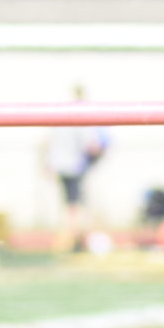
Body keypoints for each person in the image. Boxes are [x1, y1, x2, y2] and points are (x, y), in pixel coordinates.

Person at [46, 90, 110, 254]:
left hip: (60, 165)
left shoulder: (60, 117)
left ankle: (68, 240)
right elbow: (92, 145)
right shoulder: (82, 117)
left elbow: (49, 142)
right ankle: (71, 241)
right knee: (75, 206)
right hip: (74, 166)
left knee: (69, 204)